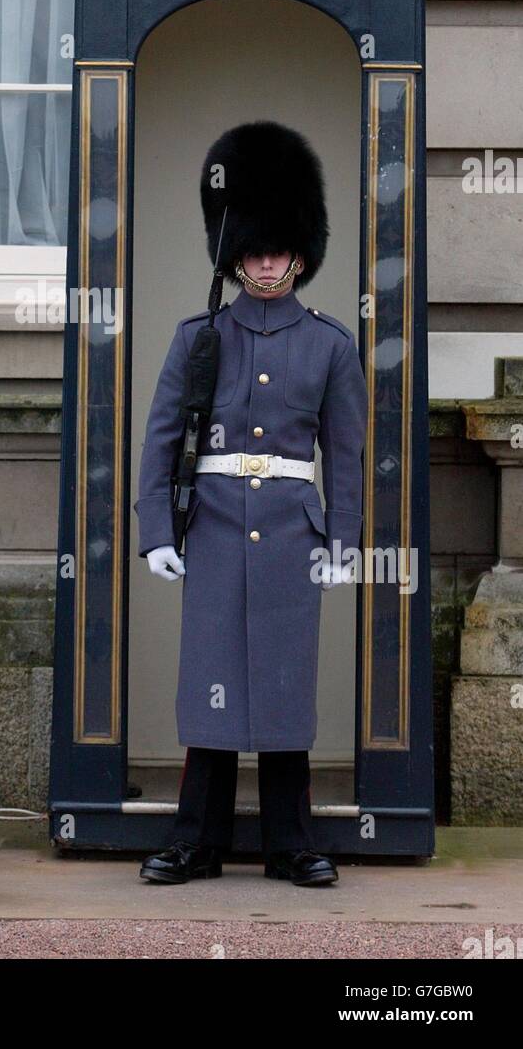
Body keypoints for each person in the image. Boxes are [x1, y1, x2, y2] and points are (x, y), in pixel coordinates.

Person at [134, 120, 368, 888]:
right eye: (254, 250)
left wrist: (343, 539)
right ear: (234, 254)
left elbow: (345, 452)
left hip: (290, 532)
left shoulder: (330, 346)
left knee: (281, 685)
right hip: (214, 525)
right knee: (210, 684)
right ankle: (195, 841)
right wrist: (155, 531)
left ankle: (288, 844)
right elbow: (162, 439)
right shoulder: (198, 336)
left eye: (277, 250)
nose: (266, 263)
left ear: (300, 253)